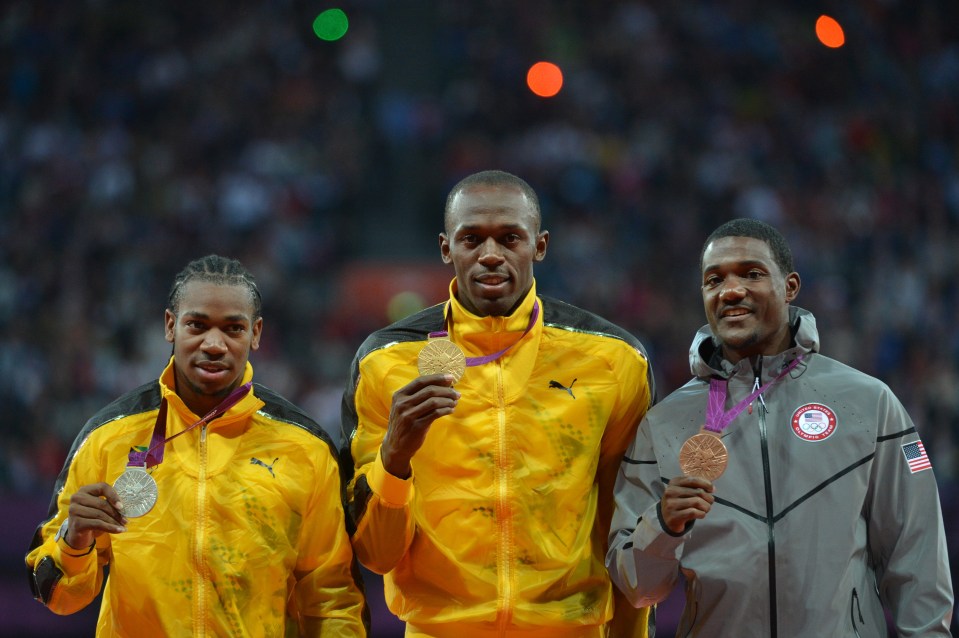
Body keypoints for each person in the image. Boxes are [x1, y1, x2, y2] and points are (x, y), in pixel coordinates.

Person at [341, 170, 656, 637]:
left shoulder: (612, 360)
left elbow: (627, 528)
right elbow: (375, 555)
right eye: (472, 239)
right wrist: (394, 459)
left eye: (510, 238)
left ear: (540, 245)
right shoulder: (385, 361)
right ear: (446, 248)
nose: (491, 255)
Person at [607, 218, 954, 636]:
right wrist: (662, 526)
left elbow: (915, 556)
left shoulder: (868, 403)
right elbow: (637, 587)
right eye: (714, 280)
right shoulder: (663, 424)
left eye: (751, 274)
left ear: (790, 287)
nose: (731, 290)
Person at [26, 255, 369, 636]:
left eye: (233, 329)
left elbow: (333, 597)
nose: (214, 344)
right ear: (171, 326)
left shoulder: (305, 447)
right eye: (197, 325)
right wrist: (74, 543)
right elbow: (56, 595)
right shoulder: (108, 437)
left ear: (256, 334)